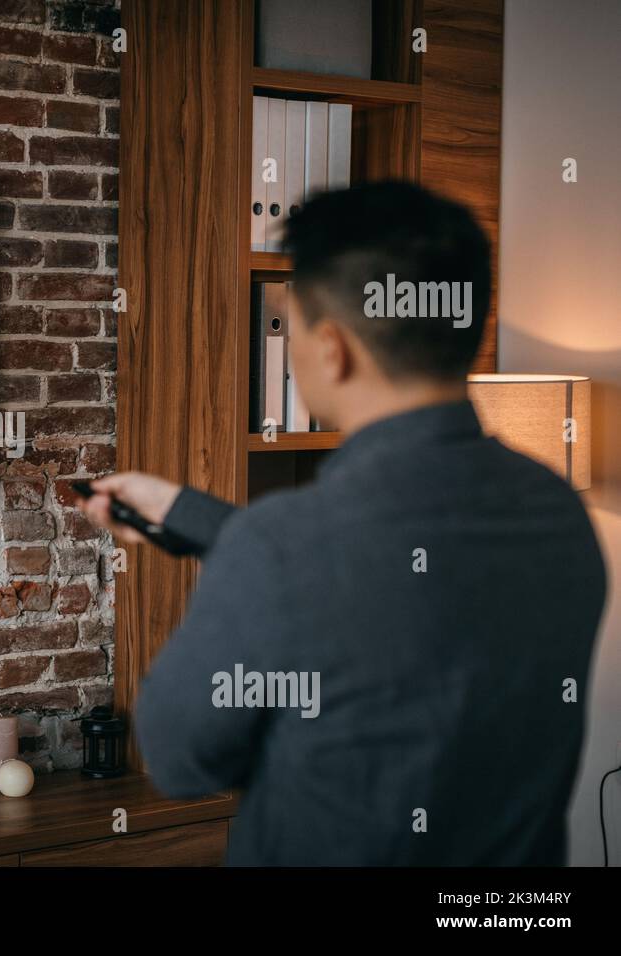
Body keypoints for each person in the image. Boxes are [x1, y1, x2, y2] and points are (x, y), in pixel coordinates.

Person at [82, 181, 606, 865]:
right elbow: (387, 591)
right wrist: (199, 520)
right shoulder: (558, 513)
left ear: (332, 349)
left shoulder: (284, 548)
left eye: (289, 323)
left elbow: (181, 760)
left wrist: (244, 557)